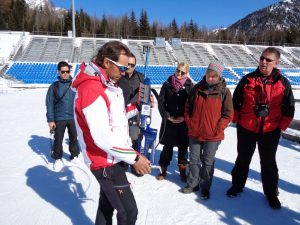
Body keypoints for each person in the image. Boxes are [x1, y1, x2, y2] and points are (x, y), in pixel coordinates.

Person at [72, 41, 151, 225]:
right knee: (128, 212)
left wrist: (138, 106)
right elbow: (103, 136)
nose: (124, 72)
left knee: (106, 206)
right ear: (107, 63)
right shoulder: (91, 88)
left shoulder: (107, 83)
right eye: (122, 67)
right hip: (106, 162)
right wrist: (135, 158)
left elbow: (117, 118)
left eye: (128, 67)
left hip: (114, 157)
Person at [226, 47, 295, 209]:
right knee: (242, 158)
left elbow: (289, 107)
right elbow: (235, 101)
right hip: (246, 129)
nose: (263, 62)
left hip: (270, 131)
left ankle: (271, 193)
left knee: (268, 163)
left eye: (268, 60)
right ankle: (237, 186)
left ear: (276, 63)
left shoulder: (283, 82)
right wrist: (237, 120)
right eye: (262, 58)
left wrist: (281, 127)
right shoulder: (248, 79)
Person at [182, 62, 233, 200]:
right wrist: (190, 122)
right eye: (208, 75)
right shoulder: (197, 88)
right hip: (195, 132)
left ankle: (205, 187)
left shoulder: (224, 92)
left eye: (214, 76)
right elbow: (188, 106)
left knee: (208, 162)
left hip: (213, 135)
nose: (210, 78)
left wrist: (218, 128)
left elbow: (228, 114)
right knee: (193, 160)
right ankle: (193, 183)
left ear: (219, 76)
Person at [156, 63, 193, 181]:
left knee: (183, 148)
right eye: (178, 71)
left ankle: (182, 170)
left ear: (186, 73)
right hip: (169, 122)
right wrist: (167, 116)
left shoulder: (190, 86)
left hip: (183, 123)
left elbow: (192, 105)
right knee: (167, 148)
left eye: (182, 72)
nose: (179, 74)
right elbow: (161, 102)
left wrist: (185, 117)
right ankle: (163, 169)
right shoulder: (167, 84)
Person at [46, 61, 79, 171]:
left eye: (67, 71)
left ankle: (74, 155)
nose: (65, 73)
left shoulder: (75, 84)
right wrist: (50, 120)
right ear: (59, 72)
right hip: (59, 117)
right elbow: (49, 103)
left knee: (74, 138)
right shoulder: (54, 86)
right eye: (63, 71)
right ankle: (58, 158)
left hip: (73, 117)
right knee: (58, 139)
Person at [117, 52, 144, 176]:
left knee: (135, 139)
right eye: (127, 64)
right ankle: (122, 163)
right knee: (121, 139)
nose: (129, 67)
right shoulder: (118, 76)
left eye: (132, 65)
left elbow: (145, 95)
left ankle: (134, 163)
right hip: (119, 113)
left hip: (134, 113)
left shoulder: (140, 77)